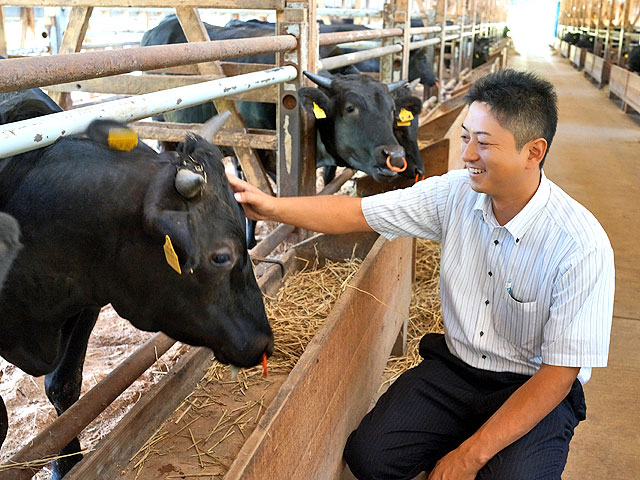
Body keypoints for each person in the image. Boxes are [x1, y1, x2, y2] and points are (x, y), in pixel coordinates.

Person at [227, 69, 615, 480]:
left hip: (532, 388)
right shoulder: (454, 193)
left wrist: (467, 457)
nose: (467, 155)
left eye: (483, 144)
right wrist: (270, 206)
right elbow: (357, 213)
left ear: (533, 151)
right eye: (466, 137)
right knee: (370, 457)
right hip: (457, 369)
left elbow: (558, 376)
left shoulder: (580, 245)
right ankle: (462, 437)